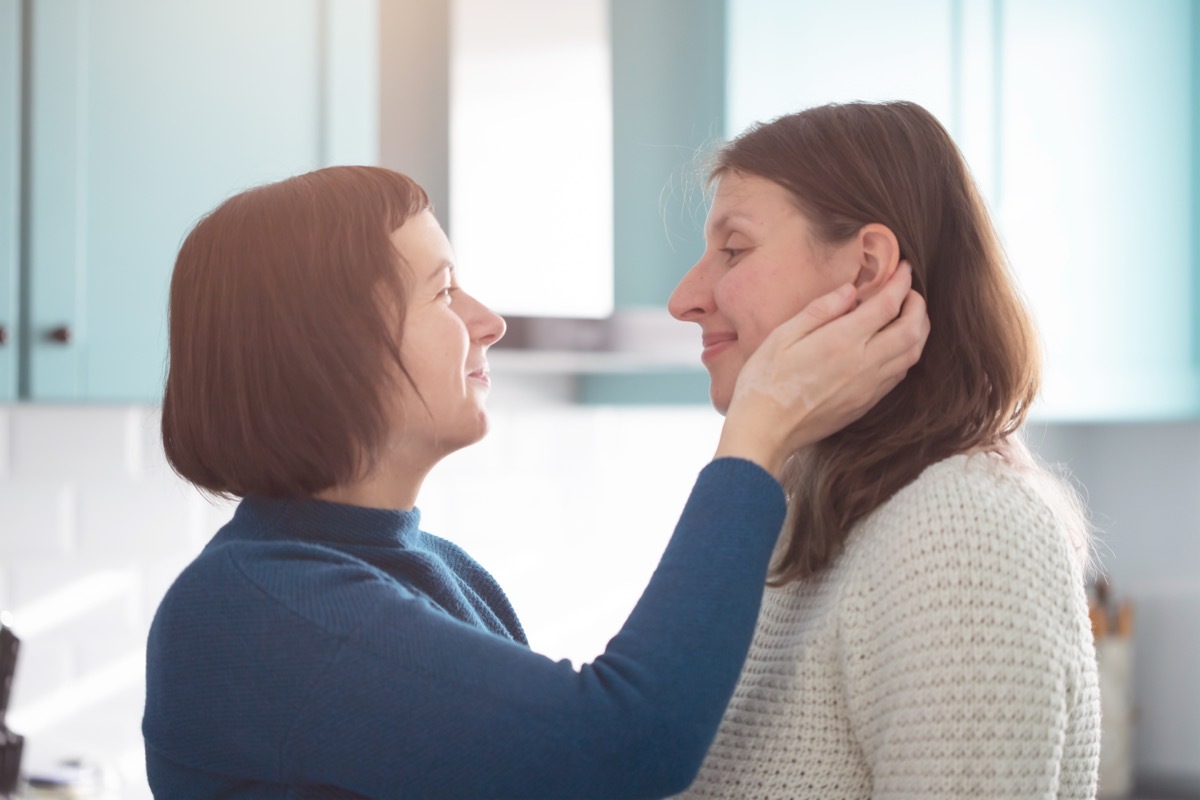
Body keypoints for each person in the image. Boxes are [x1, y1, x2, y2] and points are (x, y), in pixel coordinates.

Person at [142, 165, 927, 799]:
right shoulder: (252, 613)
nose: (490, 321)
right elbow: (625, 746)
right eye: (445, 292)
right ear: (327, 346)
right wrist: (756, 435)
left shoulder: (440, 572)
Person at [667, 100, 1101, 799]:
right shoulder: (799, 513)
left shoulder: (961, 530)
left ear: (866, 267)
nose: (684, 297)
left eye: (734, 248)